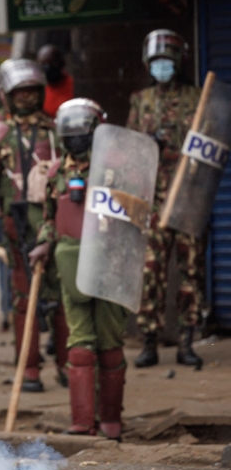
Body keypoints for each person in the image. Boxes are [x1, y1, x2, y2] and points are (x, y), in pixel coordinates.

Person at [0, 59, 68, 392]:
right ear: (6, 95)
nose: (26, 98)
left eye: (31, 91)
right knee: (24, 299)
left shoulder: (59, 132)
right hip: (16, 225)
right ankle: (30, 369)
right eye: (19, 92)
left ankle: (71, 366)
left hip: (58, 223)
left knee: (66, 298)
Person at [30, 98, 127, 438]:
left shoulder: (117, 169)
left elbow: (139, 215)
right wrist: (44, 242)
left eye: (82, 131)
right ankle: (83, 422)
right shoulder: (56, 174)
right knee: (80, 344)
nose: (76, 138)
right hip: (70, 266)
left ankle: (112, 421)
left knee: (110, 342)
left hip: (111, 265)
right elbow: (49, 220)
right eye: (69, 132)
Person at [128, 29, 204, 369]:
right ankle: (149, 340)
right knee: (150, 272)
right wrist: (148, 145)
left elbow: (210, 144)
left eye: (167, 60)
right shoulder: (140, 101)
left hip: (188, 198)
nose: (162, 66)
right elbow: (127, 149)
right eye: (156, 61)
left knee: (192, 271)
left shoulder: (196, 97)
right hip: (155, 201)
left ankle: (188, 339)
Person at [38, 44, 74, 117]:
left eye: (51, 63)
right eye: (44, 64)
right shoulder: (39, 92)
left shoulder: (74, 85)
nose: (48, 67)